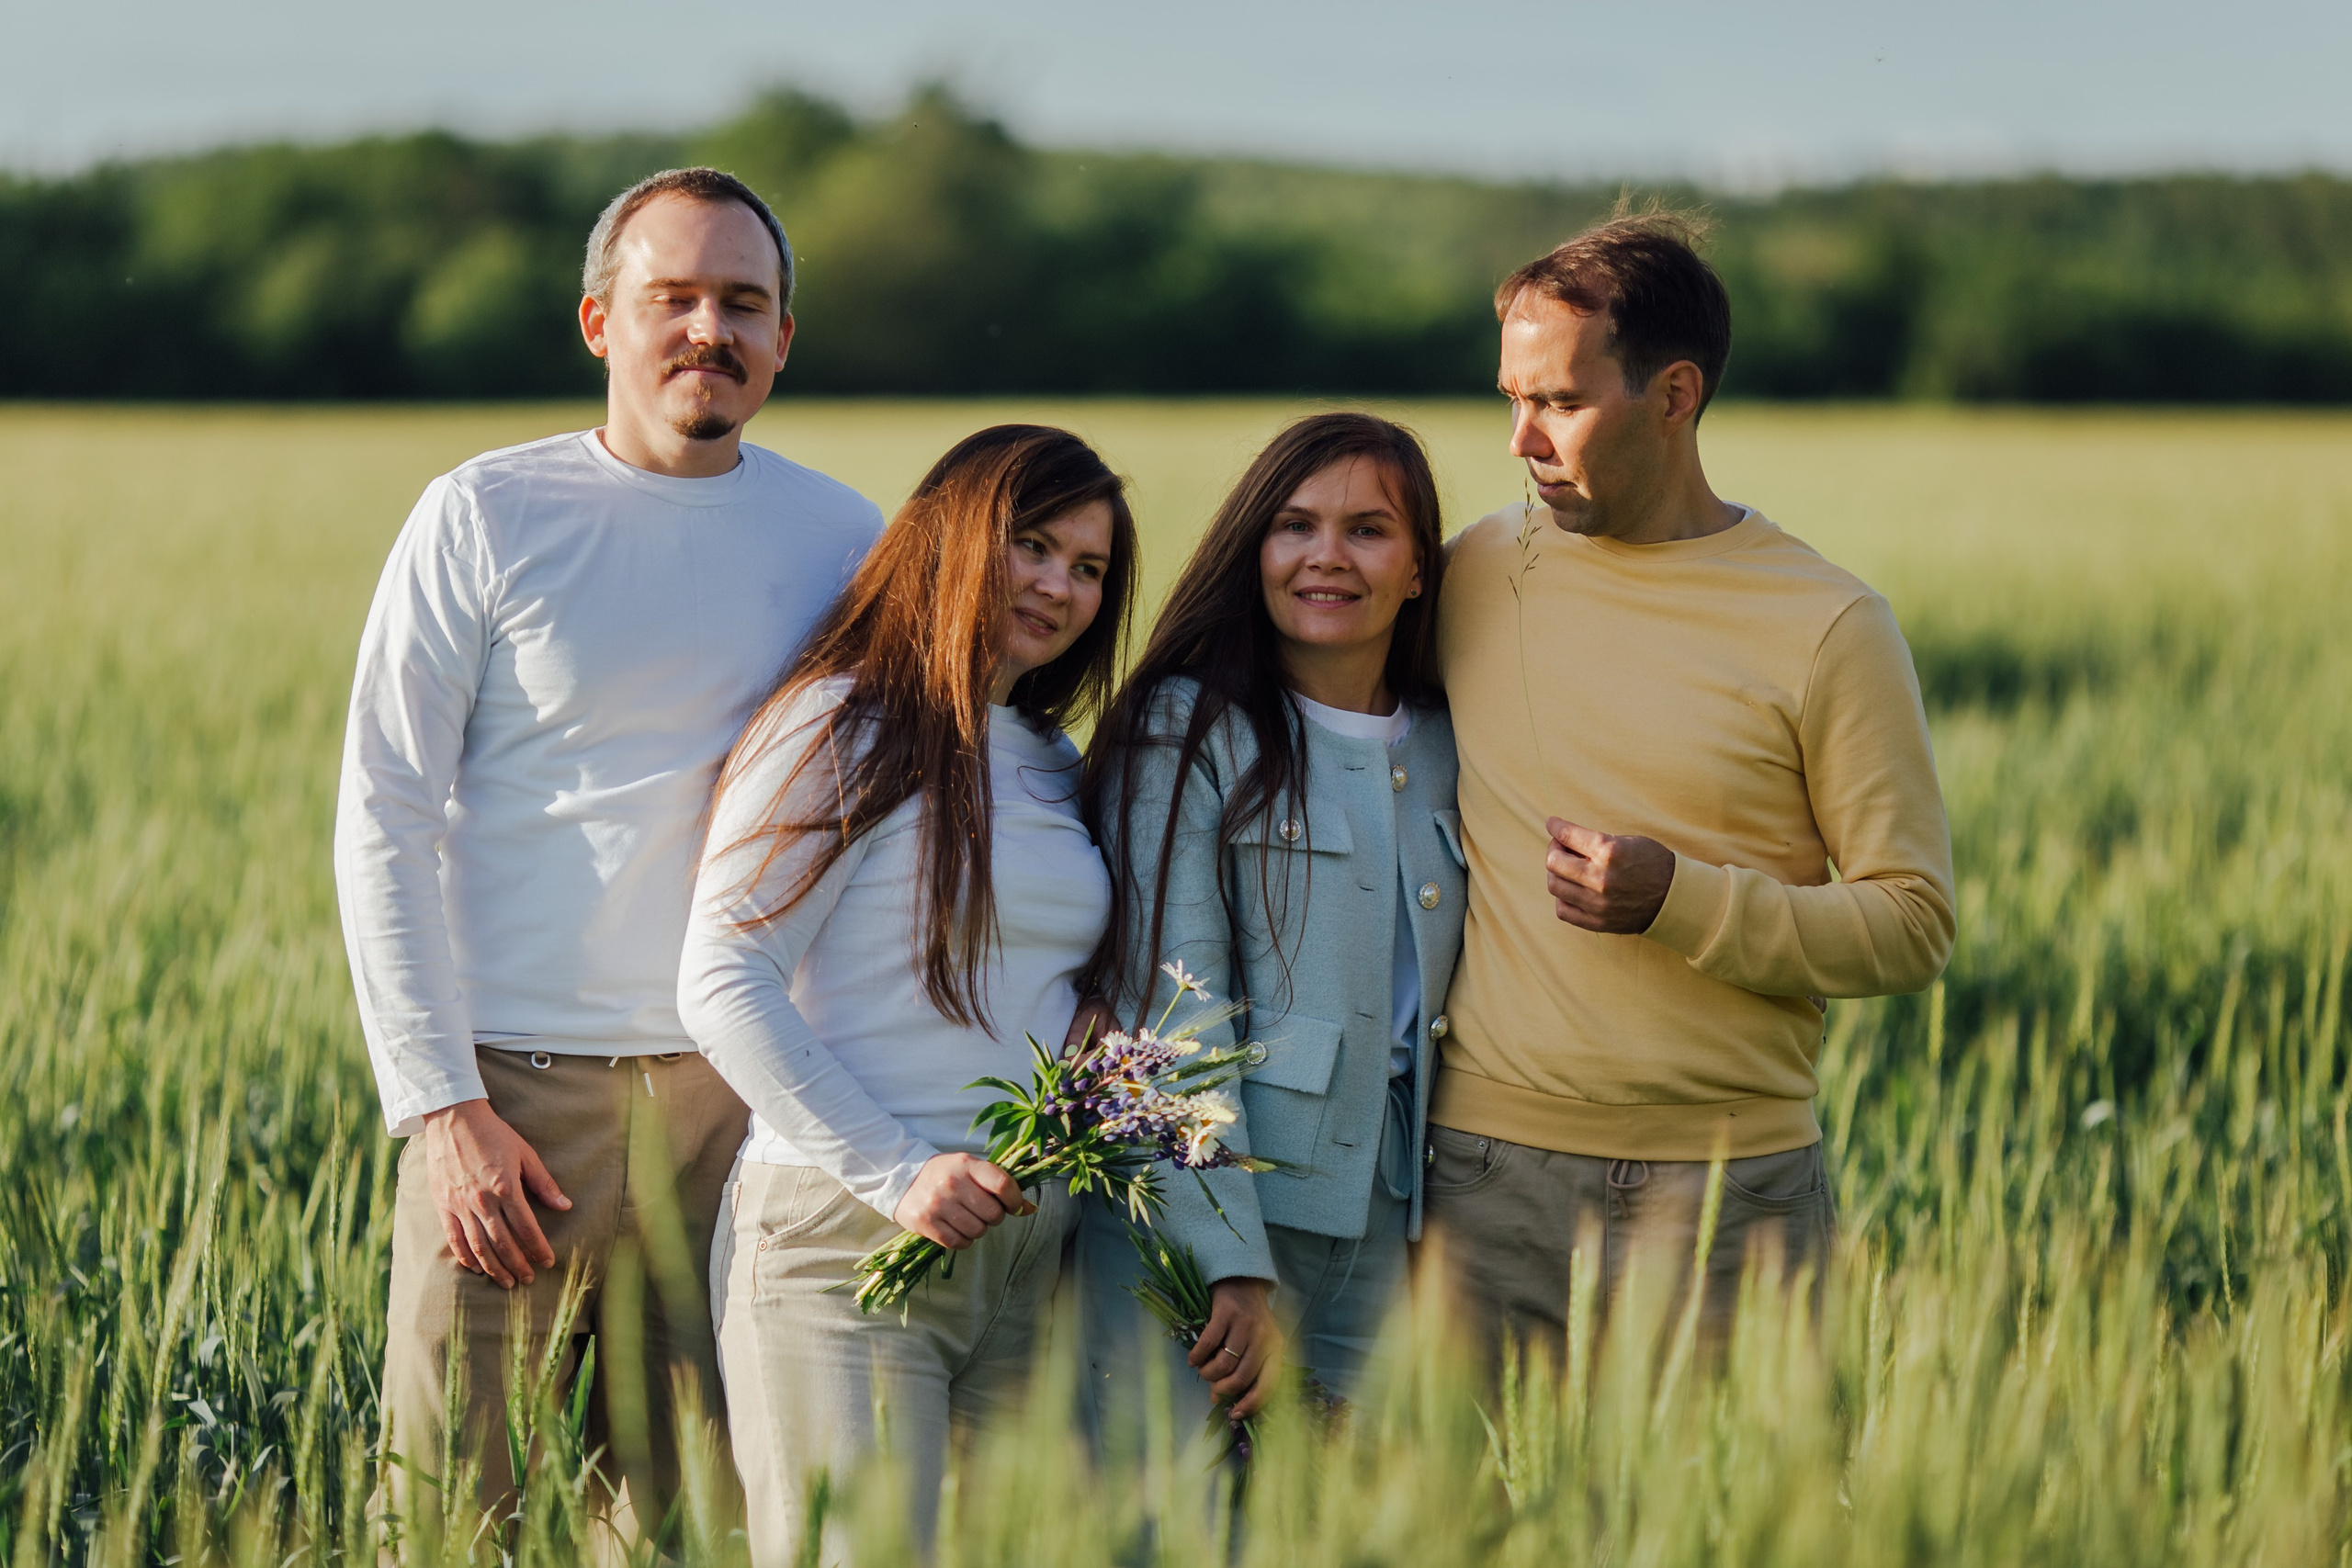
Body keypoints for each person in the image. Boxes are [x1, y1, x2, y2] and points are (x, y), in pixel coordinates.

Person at [334, 167, 881, 1548]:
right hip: (511, 1114)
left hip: (740, 1110)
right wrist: (441, 1108)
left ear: (784, 336)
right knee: (449, 1519)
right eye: (671, 297)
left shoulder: (843, 538)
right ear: (598, 320)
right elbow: (385, 811)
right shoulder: (485, 513)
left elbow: (895, 810)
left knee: (701, 1524)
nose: (709, 329)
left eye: (742, 302)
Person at [1424, 212, 1956, 1357]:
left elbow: (1913, 926)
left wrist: (1681, 901)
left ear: (1673, 395)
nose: (1520, 440)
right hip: (1482, 1184)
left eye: (1559, 402)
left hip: (1733, 1197)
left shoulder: (1829, 624)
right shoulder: (1475, 570)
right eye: (1510, 399)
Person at [679, 424, 1138, 1563]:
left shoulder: (1050, 760)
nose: (1059, 586)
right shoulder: (844, 720)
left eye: (1088, 568)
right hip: (848, 1250)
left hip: (1019, 1251)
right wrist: (897, 1172)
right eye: (1033, 545)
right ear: (954, 535)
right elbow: (721, 976)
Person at [1079, 412, 1464, 1430]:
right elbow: (1170, 1013)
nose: (1325, 556)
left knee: (1347, 1508)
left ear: (1418, 569)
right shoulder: (1184, 727)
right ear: (1255, 549)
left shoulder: (1448, 742)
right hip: (1207, 1222)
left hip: (1383, 1230)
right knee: (1171, 1509)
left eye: (1367, 530)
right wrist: (1227, 1258)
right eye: (1295, 526)